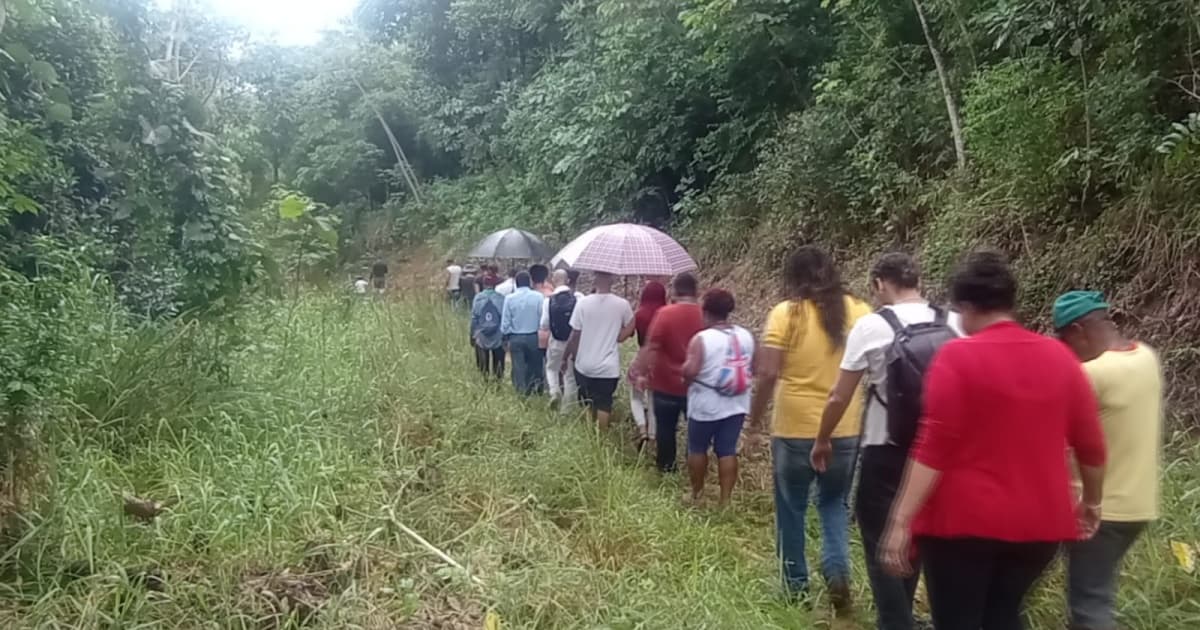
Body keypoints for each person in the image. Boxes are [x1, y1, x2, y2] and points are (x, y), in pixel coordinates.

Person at [879, 251, 1107, 630]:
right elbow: (1092, 444)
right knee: (1003, 614)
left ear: (965, 307)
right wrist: (1092, 502)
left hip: (962, 525)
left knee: (959, 620)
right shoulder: (1060, 358)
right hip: (1039, 527)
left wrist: (901, 521)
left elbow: (933, 446)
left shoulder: (957, 357)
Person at [810, 252, 960, 630]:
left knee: (883, 545)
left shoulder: (871, 327)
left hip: (886, 454)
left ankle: (896, 621)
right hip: (944, 455)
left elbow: (838, 397)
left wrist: (823, 438)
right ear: (918, 280)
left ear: (880, 283)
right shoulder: (955, 322)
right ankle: (907, 616)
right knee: (922, 535)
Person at [747, 245, 870, 611]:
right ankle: (837, 570)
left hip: (795, 428)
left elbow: (768, 373)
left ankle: (795, 588)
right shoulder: (861, 311)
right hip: (845, 427)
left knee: (791, 508)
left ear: (793, 277)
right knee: (834, 502)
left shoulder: (787, 314)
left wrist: (754, 421)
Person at [1054, 291, 1162, 630]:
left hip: (1098, 510)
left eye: (1065, 342)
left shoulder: (1090, 375)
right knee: (1092, 596)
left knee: (1090, 608)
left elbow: (1058, 442)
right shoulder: (1146, 357)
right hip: (1139, 506)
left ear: (1077, 330)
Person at [681, 288, 754, 507]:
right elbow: (754, 367)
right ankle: (725, 500)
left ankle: (697, 494)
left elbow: (691, 371)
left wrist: (684, 371)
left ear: (706, 311)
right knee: (727, 449)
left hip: (705, 404)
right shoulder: (745, 335)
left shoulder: (702, 339)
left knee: (697, 448)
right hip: (737, 403)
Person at [637, 272, 705, 472]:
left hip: (665, 384)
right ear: (696, 291)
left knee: (666, 430)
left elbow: (651, 346)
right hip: (696, 385)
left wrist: (642, 373)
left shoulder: (665, 314)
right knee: (696, 430)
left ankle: (667, 469)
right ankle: (694, 468)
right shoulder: (705, 315)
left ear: (674, 290)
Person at [564, 271, 635, 430]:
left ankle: (589, 435)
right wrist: (619, 336)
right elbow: (631, 325)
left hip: (584, 364)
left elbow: (575, 334)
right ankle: (601, 438)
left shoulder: (582, 303)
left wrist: (568, 356)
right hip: (608, 368)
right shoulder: (622, 304)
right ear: (612, 281)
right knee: (604, 403)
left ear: (594, 280)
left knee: (587, 402)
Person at [629, 281, 667, 448]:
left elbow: (629, 333)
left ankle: (642, 430)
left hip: (642, 357)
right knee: (653, 400)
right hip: (660, 361)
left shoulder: (640, 314)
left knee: (636, 397)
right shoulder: (666, 314)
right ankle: (653, 437)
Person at [542, 269, 582, 411]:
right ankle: (566, 410)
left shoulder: (548, 301)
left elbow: (544, 324)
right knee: (569, 375)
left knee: (551, 369)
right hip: (573, 342)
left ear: (553, 280)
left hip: (556, 341)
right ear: (568, 281)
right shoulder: (578, 298)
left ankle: (554, 391)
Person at [471, 275, 506, 379]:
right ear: (495, 285)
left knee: (483, 363)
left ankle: (484, 381)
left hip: (481, 334)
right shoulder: (501, 298)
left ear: (484, 284)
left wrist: (472, 334)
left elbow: (474, 318)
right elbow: (504, 318)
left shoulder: (478, 297)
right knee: (498, 360)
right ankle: (498, 382)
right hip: (497, 334)